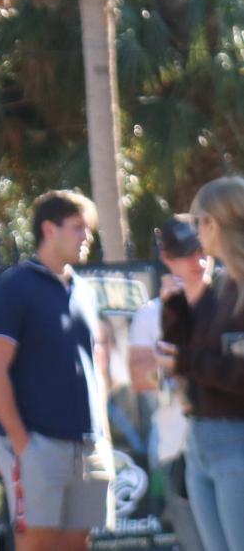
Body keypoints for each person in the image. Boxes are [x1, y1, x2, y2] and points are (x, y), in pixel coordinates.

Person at [0, 190, 113, 550]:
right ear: (49, 229)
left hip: (87, 443)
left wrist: (102, 435)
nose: (87, 237)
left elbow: (96, 366)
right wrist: (23, 445)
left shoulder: (85, 291)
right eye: (77, 228)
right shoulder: (13, 286)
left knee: (77, 540)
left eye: (87, 230)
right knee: (37, 541)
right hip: (37, 443)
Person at [162, 176, 244, 551]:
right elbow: (186, 358)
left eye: (198, 222)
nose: (195, 233)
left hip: (236, 442)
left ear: (215, 223)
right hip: (200, 443)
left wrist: (187, 360)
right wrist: (176, 310)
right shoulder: (223, 287)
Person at [130, 217, 209, 551]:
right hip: (178, 451)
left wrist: (175, 364)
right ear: (166, 257)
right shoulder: (150, 315)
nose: (199, 260)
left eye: (204, 250)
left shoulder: (233, 303)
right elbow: (139, 376)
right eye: (188, 252)